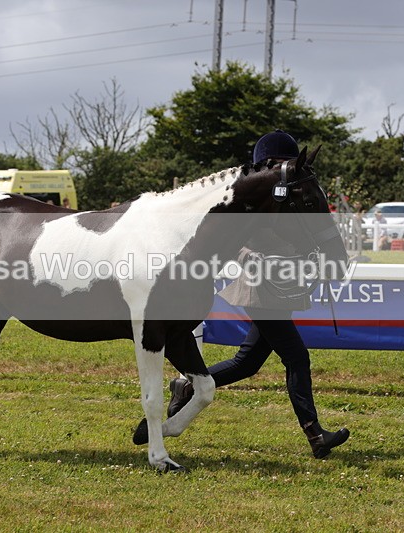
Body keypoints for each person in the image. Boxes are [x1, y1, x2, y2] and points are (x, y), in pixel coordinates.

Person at [136, 130, 350, 459]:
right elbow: (231, 242)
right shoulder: (249, 200)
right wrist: (259, 259)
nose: (284, 167)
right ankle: (315, 434)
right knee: (296, 357)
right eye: (280, 161)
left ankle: (188, 385)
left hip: (282, 288)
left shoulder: (284, 196)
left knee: (247, 362)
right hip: (260, 289)